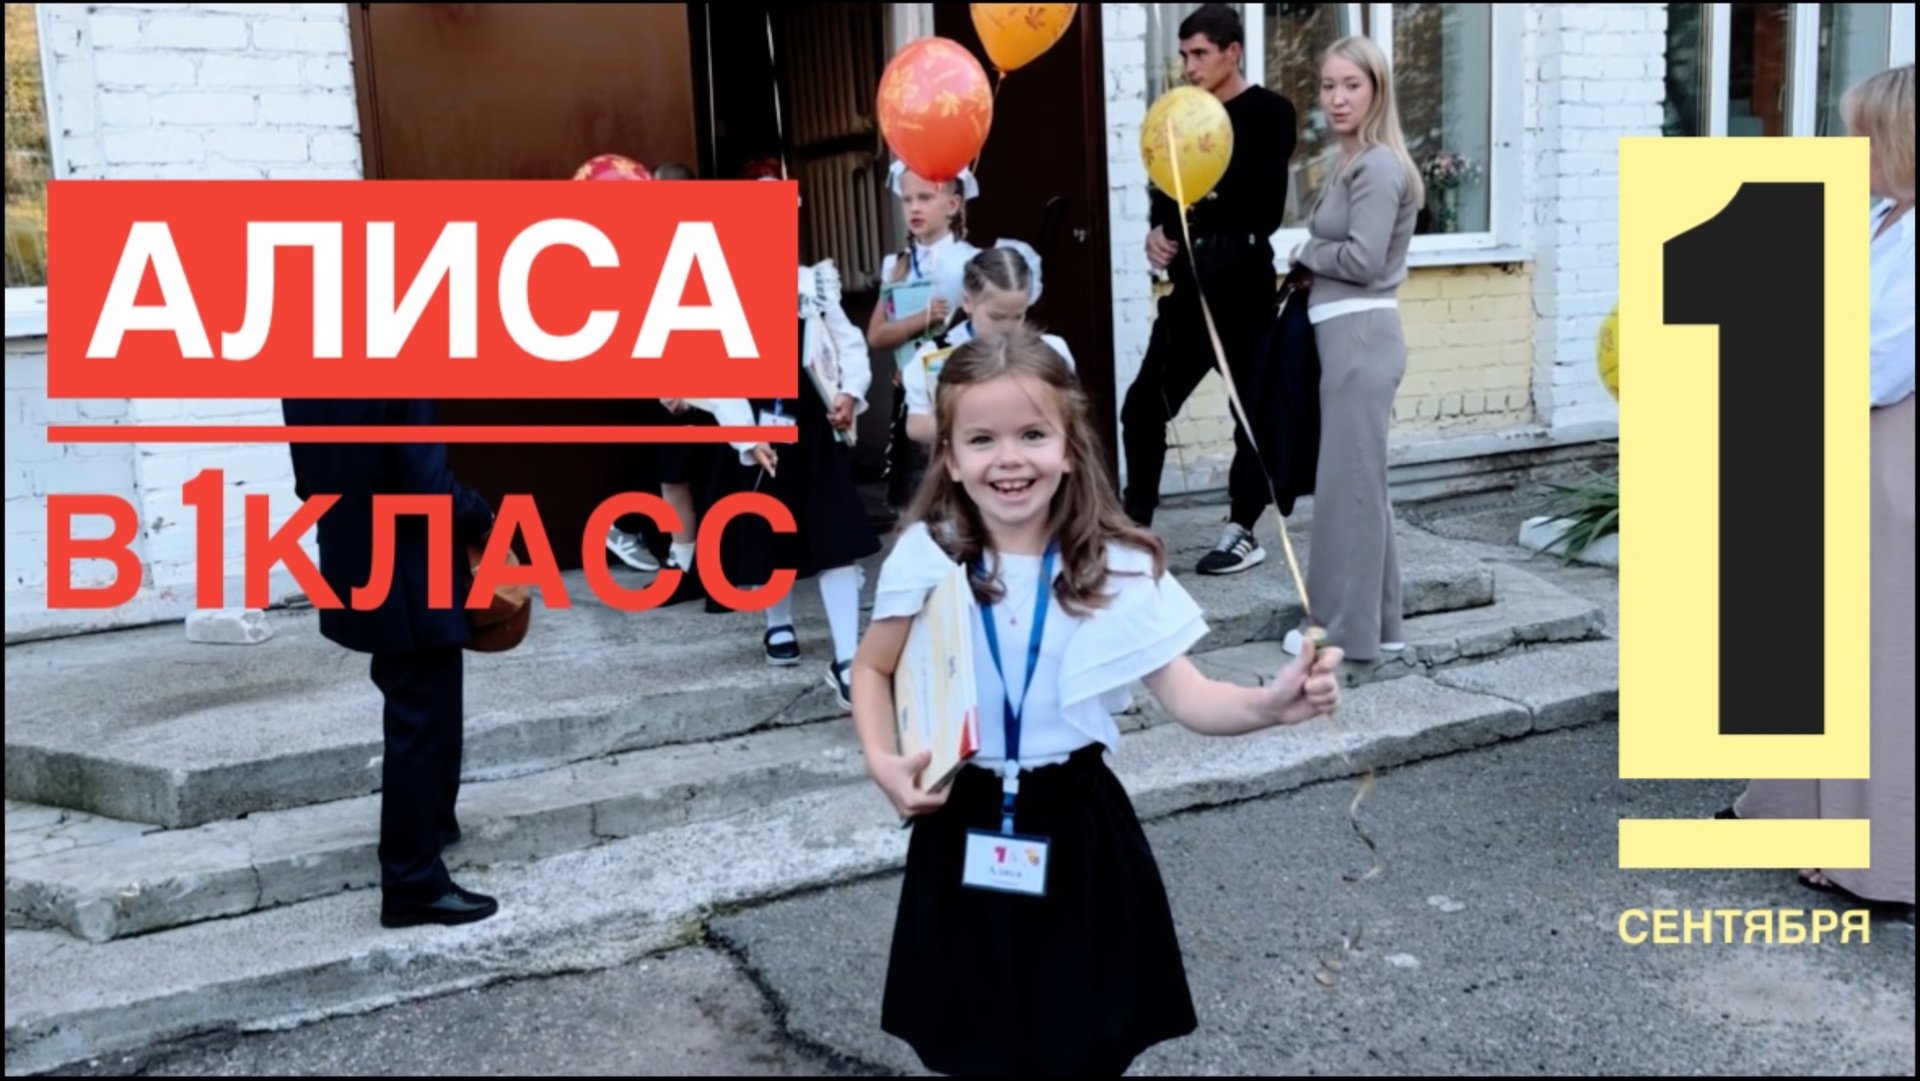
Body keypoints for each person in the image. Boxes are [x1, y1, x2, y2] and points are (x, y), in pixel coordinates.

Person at [849, 327, 1343, 1075]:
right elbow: (872, 668)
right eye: (981, 439)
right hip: (961, 820)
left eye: (1032, 434)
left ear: (1070, 447)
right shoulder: (930, 552)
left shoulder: (1114, 563)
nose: (1009, 458)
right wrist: (882, 759)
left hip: (1078, 826)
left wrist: (1269, 705)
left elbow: (1191, 696)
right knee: (976, 1039)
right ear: (949, 456)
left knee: (1079, 1042)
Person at [1729, 64, 1914, 917]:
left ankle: (1881, 853)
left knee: (1881, 650)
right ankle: (1804, 813)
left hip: (1890, 450)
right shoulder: (1879, 219)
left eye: (1859, 135)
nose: (1846, 149)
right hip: (1843, 435)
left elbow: (1882, 361)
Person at [280, 398, 501, 928]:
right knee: (421, 716)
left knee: (425, 703)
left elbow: (307, 483)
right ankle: (411, 882)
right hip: (410, 566)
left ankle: (433, 824)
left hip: (358, 556)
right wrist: (483, 514)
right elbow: (431, 489)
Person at [1121, 2, 1297, 576]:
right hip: (1189, 290)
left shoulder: (1270, 113)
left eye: (1200, 53)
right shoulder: (1177, 115)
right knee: (1142, 407)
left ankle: (1242, 529)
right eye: (1184, 55)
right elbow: (1164, 191)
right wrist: (1158, 234)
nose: (1190, 66)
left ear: (1232, 52)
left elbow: (1263, 207)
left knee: (1251, 414)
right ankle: (1135, 526)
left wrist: (1186, 221)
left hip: (1243, 288)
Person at [1281, 34, 1423, 664]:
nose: (1337, 98)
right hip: (1346, 338)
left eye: (1352, 85)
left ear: (1377, 91)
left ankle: (1341, 634)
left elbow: (1364, 261)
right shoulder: (1349, 161)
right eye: (1328, 85)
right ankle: (1381, 627)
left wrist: (1305, 251)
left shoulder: (1378, 166)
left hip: (1362, 338)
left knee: (1349, 493)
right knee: (1363, 488)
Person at [703, 258, 878, 707]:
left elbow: (848, 343)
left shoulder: (811, 283)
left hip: (813, 429)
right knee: (768, 529)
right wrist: (746, 435)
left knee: (835, 535)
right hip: (760, 427)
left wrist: (849, 392)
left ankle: (847, 656)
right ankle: (777, 622)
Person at [867, 163, 983, 511]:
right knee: (914, 492)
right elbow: (877, 335)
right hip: (912, 392)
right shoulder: (897, 265)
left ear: (953, 205)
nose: (914, 208)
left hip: (957, 386)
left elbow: (981, 330)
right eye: (907, 200)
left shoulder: (970, 261)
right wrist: (922, 319)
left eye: (925, 198)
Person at [901, 241, 1075, 447]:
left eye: (1018, 316)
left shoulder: (1051, 351)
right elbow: (917, 427)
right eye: (996, 317)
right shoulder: (935, 355)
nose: (1008, 328)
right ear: (968, 302)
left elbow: (1071, 414)